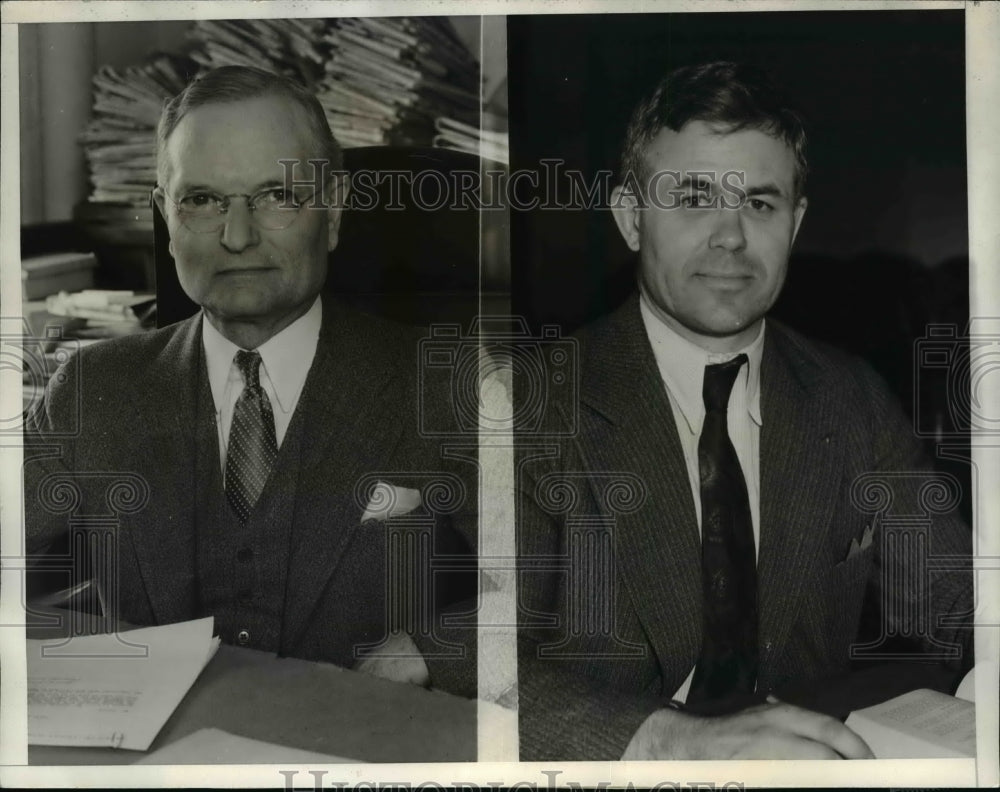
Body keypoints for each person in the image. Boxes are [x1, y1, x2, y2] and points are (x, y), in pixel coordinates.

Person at [515, 61, 973, 760]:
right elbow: (461, 660)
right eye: (694, 198)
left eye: (760, 203)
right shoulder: (527, 404)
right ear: (631, 218)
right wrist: (670, 744)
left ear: (794, 224)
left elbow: (955, 594)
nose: (731, 236)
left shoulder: (851, 397)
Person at [23, 66, 476, 696]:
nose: (237, 237)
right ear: (165, 217)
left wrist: (430, 650)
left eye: (278, 195)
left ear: (334, 211)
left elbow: (551, 588)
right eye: (203, 200)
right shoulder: (90, 389)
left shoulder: (451, 387)